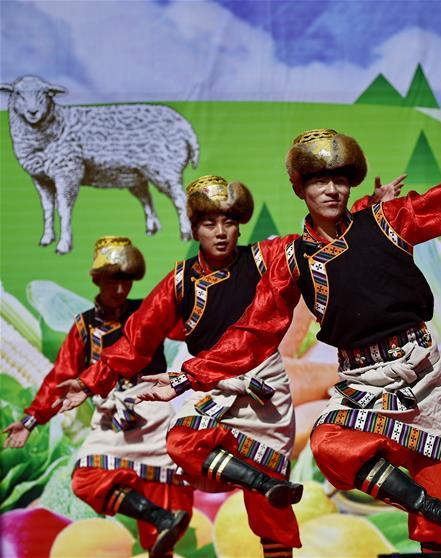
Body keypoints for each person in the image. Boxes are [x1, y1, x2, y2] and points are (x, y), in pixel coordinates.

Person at [134, 116, 441, 552]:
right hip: (362, 382)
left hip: (422, 375)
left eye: (340, 180)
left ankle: (437, 513)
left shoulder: (388, 221)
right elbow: (253, 331)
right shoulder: (293, 258)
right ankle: (428, 506)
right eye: (318, 181)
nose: (331, 190)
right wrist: (183, 378)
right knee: (330, 444)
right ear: (299, 188)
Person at [56, 174, 400, 557]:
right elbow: (137, 337)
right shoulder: (180, 282)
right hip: (211, 382)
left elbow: (317, 241)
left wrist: (367, 209)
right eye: (209, 224)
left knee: (271, 511)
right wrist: (88, 383)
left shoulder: (266, 258)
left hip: (264, 383)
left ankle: (269, 493)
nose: (220, 233)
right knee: (183, 440)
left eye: (229, 222)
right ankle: (264, 484)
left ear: (239, 226)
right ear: (194, 229)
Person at [3, 237, 191, 558]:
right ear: (97, 280)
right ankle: (158, 517)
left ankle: (161, 534)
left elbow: (191, 329)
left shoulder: (147, 312)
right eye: (112, 281)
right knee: (86, 479)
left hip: (152, 413)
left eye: (126, 281)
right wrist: (30, 421)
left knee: (165, 503)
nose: (120, 289)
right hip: (110, 418)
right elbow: (59, 379)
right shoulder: (84, 326)